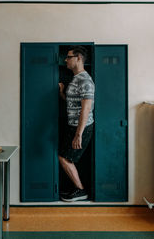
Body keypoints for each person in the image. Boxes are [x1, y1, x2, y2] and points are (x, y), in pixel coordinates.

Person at [58, 45, 95, 202]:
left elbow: (86, 108)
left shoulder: (85, 80)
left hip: (82, 128)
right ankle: (78, 189)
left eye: (68, 57)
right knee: (65, 157)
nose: (66, 60)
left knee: (64, 158)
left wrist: (78, 134)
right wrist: (62, 94)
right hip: (73, 126)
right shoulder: (76, 78)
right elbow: (75, 104)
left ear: (78, 58)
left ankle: (80, 190)